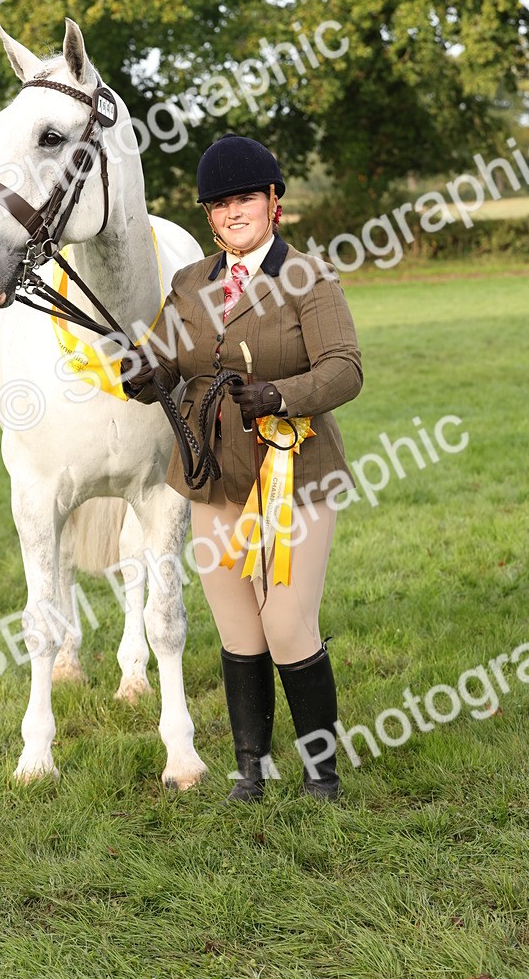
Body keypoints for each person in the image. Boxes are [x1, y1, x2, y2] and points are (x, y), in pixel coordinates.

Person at [121, 133, 363, 803]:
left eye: (245, 198)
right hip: (211, 470)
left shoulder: (308, 279)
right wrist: (142, 372)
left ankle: (322, 774)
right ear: (208, 215)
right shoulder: (190, 283)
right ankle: (249, 771)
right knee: (237, 624)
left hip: (297, 470)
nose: (233, 211)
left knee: (286, 623)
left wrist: (282, 395)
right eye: (220, 203)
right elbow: (165, 357)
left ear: (273, 202)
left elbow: (345, 368)